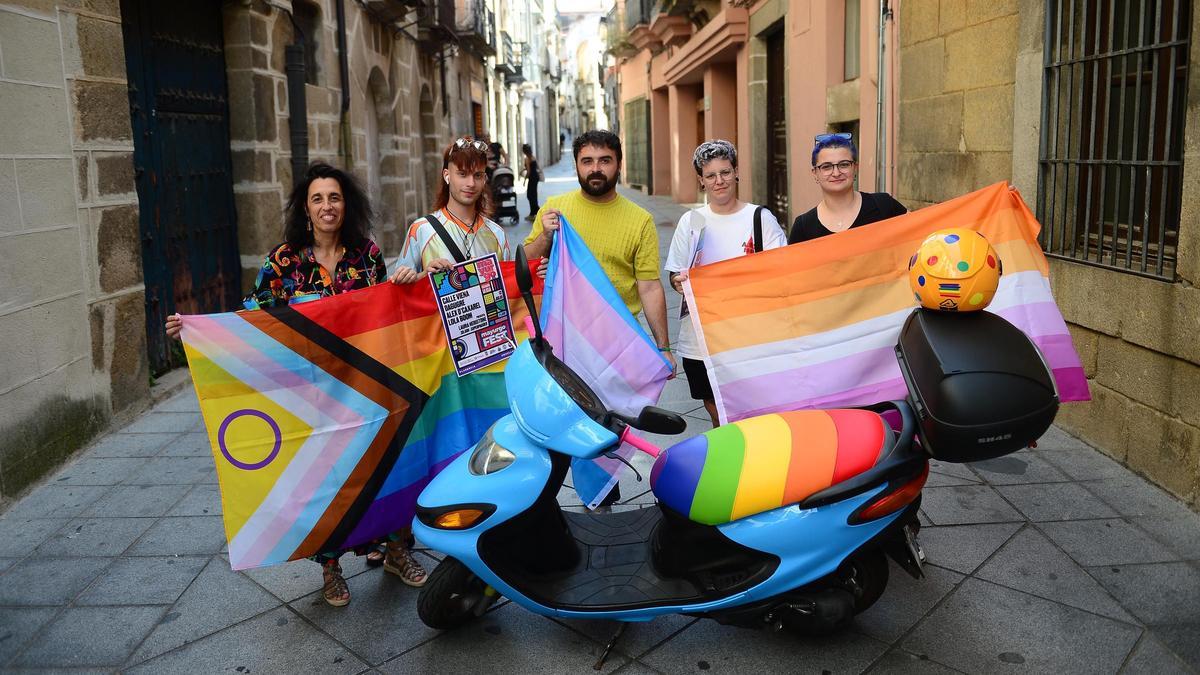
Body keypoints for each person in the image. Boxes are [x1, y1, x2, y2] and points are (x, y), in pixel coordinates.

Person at [165, 162, 428, 606]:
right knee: (324, 479)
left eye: (335, 198)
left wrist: (412, 279)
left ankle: (396, 550)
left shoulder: (365, 255)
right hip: (314, 393)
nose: (328, 207)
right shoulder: (283, 261)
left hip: (367, 386)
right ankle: (330, 567)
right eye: (318, 199)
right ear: (306, 208)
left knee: (385, 465)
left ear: (348, 205)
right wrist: (198, 329)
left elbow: (385, 311)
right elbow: (254, 316)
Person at [523, 129, 675, 509]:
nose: (596, 169)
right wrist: (544, 237)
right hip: (560, 344)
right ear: (575, 164)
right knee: (552, 429)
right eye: (587, 161)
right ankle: (542, 510)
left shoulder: (638, 220)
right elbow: (523, 262)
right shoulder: (556, 209)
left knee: (606, 432)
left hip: (615, 347)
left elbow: (650, 286)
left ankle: (605, 514)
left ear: (618, 164)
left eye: (605, 161)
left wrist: (663, 347)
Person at [665, 140, 786, 428]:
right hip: (700, 337)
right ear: (701, 181)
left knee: (754, 408)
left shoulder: (760, 219)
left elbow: (781, 271)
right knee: (714, 405)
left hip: (749, 334)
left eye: (725, 172)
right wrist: (679, 282)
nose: (719, 181)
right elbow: (674, 274)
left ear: (736, 173)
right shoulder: (691, 221)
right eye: (711, 175)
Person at [400, 137, 511, 270]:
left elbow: (506, 286)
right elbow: (398, 288)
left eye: (477, 175)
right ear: (447, 176)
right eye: (462, 174)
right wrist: (423, 277)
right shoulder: (421, 231)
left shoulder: (497, 233)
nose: (471, 184)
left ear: (484, 179)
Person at [789, 132, 907, 244]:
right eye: (826, 167)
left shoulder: (884, 205)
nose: (836, 173)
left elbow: (919, 239)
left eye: (844, 164)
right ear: (815, 173)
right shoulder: (803, 227)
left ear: (855, 168)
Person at [520, 144, 541, 222]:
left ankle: (535, 212)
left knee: (530, 195)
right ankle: (533, 213)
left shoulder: (526, 159)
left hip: (532, 177)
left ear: (524, 151)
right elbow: (537, 167)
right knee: (533, 194)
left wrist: (525, 181)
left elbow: (528, 171)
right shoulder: (533, 157)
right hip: (536, 177)